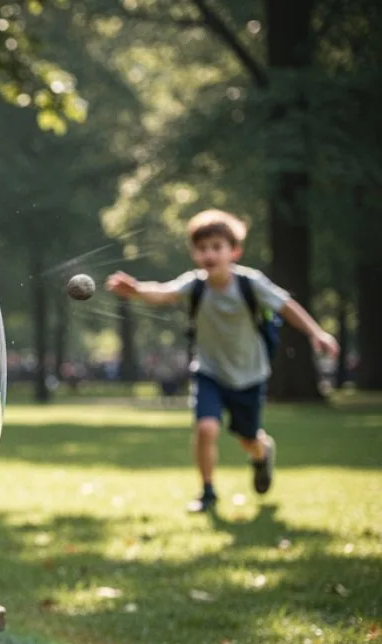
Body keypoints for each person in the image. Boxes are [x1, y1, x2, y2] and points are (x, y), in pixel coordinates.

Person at [106, 209, 340, 513]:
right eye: (202, 248)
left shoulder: (250, 284)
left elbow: (286, 306)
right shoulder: (195, 286)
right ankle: (207, 491)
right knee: (206, 428)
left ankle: (261, 453)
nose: (209, 254)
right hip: (209, 372)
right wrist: (136, 290)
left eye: (217, 247)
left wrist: (316, 332)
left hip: (249, 374)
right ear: (194, 253)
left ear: (234, 251)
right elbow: (163, 293)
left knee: (248, 439)